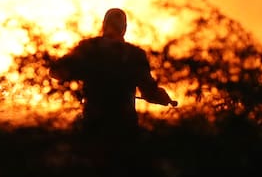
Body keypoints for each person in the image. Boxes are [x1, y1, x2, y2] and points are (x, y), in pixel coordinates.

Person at [51, 8, 177, 147]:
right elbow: (149, 92)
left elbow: (56, 71)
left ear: (103, 25)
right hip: (125, 129)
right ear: (125, 28)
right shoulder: (136, 54)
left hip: (93, 126)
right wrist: (164, 98)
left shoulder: (88, 48)